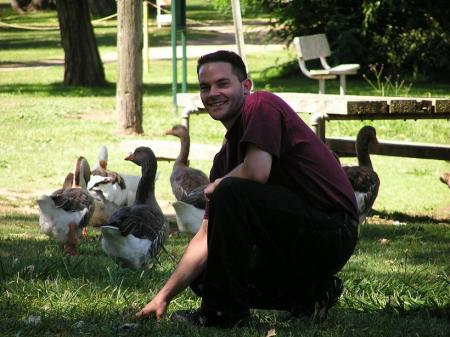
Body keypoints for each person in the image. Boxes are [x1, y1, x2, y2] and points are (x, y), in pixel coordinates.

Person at [135, 50, 359, 328]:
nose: (212, 93)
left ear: (246, 86)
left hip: (333, 231)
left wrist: (219, 185)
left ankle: (222, 315)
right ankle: (310, 295)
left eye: (222, 83)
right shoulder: (224, 159)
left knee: (230, 190)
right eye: (205, 87)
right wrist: (164, 297)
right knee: (205, 276)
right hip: (291, 241)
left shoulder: (262, 105)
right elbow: (205, 238)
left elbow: (256, 170)